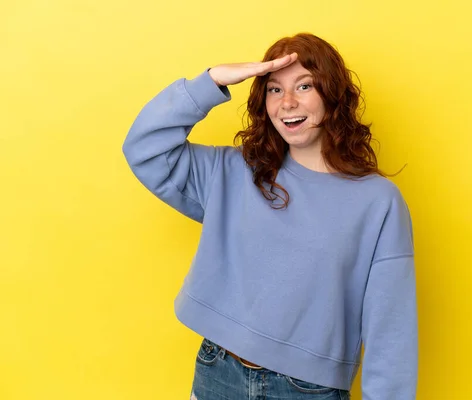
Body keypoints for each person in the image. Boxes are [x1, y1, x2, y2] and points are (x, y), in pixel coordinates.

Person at [122, 32, 417, 400]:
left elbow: (392, 333)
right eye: (274, 89)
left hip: (306, 390)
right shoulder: (234, 172)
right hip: (218, 372)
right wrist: (210, 82)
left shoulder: (378, 202)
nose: (287, 103)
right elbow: (144, 149)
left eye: (304, 86)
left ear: (332, 94)